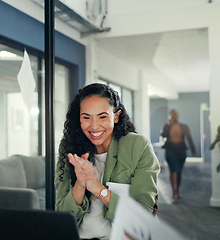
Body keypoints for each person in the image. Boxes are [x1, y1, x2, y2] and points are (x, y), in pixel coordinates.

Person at [55, 83, 160, 240]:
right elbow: (61, 218)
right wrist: (80, 184)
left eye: (102, 117)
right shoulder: (70, 148)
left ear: (116, 116)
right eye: (86, 117)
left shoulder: (137, 146)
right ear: (79, 119)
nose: (94, 126)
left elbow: (142, 214)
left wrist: (97, 188)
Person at [161, 109, 196, 200]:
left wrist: (193, 150)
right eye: (172, 115)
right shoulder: (167, 126)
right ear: (170, 116)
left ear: (178, 116)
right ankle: (173, 191)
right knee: (172, 170)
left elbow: (189, 138)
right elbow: (163, 135)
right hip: (170, 150)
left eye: (175, 114)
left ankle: (178, 190)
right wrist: (169, 125)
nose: (174, 116)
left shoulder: (184, 126)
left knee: (179, 170)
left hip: (181, 150)